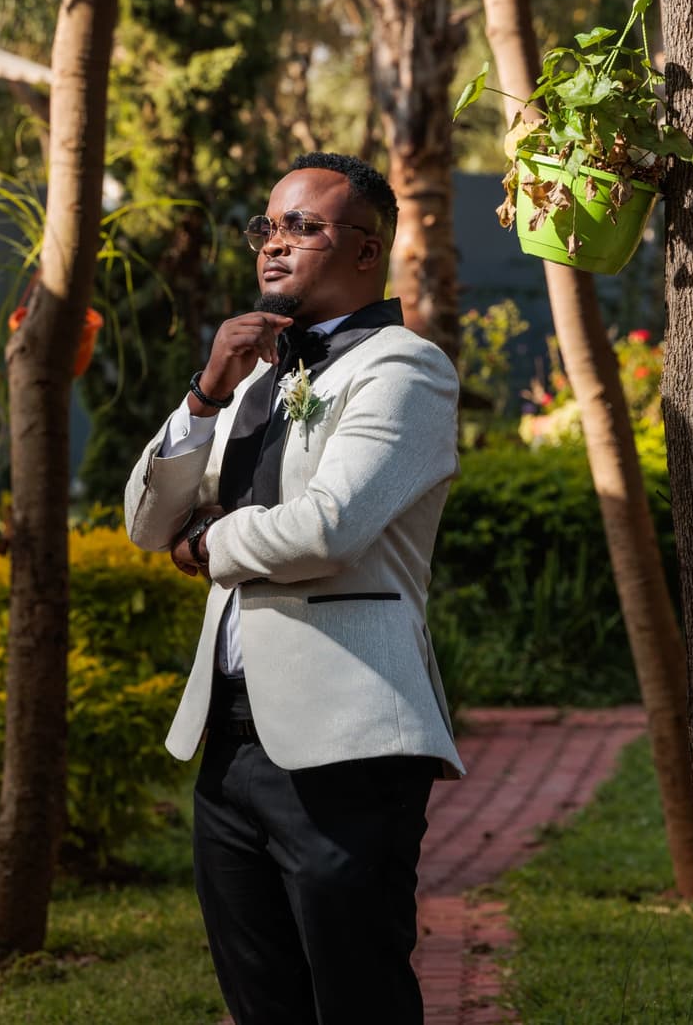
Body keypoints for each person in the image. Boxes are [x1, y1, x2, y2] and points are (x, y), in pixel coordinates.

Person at [124, 152, 464, 1025]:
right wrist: (205, 395)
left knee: (358, 998)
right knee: (261, 1000)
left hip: (349, 742)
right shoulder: (253, 382)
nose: (273, 246)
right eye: (266, 228)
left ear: (365, 249)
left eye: (301, 227)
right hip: (230, 744)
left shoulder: (404, 369)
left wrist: (210, 546)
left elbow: (328, 526)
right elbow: (144, 522)